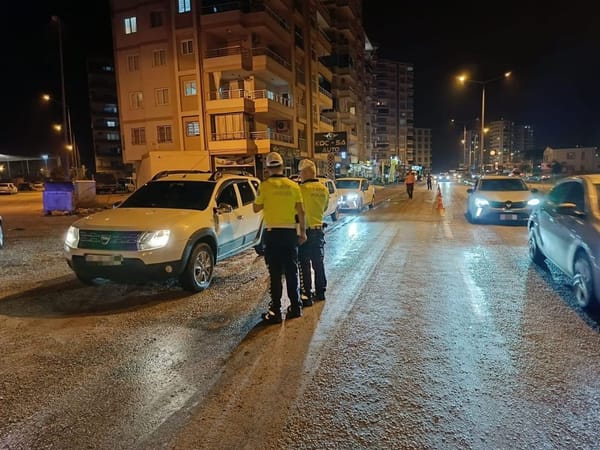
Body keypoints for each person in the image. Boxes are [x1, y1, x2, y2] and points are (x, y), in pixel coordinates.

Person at [253, 152, 307, 324]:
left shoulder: (265, 186)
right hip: (290, 234)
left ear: (268, 168)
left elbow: (255, 208)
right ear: (282, 166)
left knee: (275, 274)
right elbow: (301, 211)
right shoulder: (293, 186)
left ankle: (275, 311)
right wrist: (303, 232)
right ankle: (296, 308)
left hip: (272, 234)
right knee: (292, 271)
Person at [297, 159, 329, 306]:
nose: (300, 175)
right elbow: (324, 208)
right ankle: (321, 292)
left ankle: (306, 294)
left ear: (306, 172)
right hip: (319, 229)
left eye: (300, 172)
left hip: (305, 231)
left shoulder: (301, 189)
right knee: (318, 262)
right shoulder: (324, 189)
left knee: (304, 263)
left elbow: (296, 209)